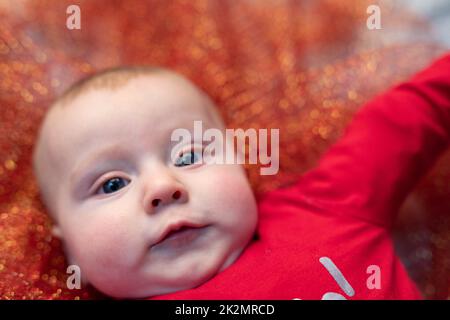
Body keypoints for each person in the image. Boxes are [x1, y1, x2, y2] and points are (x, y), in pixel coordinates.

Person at [33, 53, 450, 299]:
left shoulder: (322, 207)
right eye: (112, 184)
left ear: (240, 163)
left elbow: (406, 117)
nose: (162, 187)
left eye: (189, 154)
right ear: (67, 246)